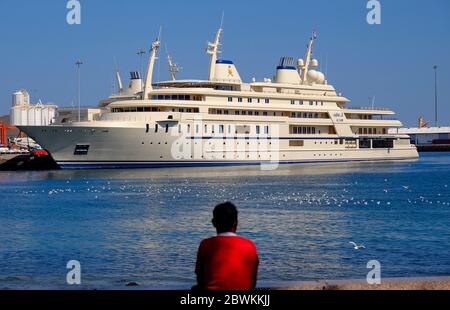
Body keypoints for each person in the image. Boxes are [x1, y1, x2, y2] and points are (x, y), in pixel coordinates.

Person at [194, 202, 259, 290]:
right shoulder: (250, 245)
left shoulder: (206, 244)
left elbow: (200, 277)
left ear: (214, 223)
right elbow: (253, 280)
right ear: (236, 223)